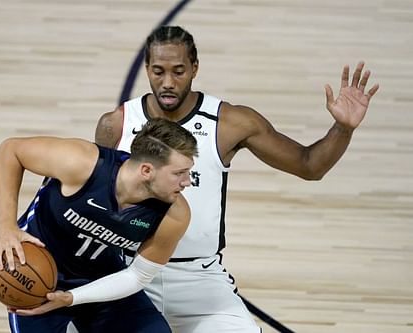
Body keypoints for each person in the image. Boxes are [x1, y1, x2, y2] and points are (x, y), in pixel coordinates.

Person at [94, 25, 379, 333]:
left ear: (194, 68)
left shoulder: (230, 122)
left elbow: (310, 166)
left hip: (200, 279)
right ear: (147, 69)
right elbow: (91, 200)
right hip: (128, 270)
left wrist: (343, 129)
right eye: (158, 72)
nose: (167, 83)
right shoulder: (117, 125)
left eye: (178, 72)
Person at [0, 117, 198, 333]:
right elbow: (11, 150)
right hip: (36, 274)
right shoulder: (81, 163)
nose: (188, 181)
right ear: (146, 171)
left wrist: (71, 298)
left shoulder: (174, 215)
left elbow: (138, 276)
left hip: (103, 279)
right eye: (179, 173)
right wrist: (6, 227)